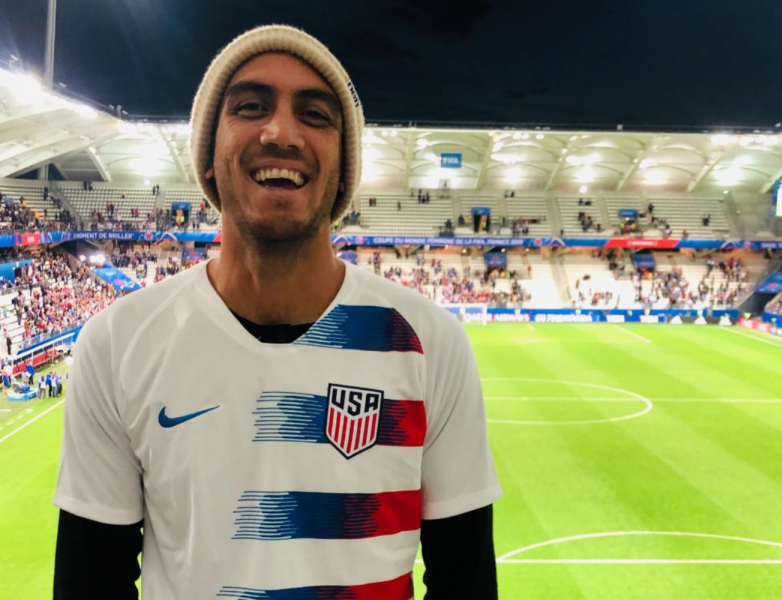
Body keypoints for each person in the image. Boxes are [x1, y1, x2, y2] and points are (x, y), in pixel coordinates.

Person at [53, 25, 500, 600]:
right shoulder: (117, 343)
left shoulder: (427, 341)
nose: (281, 132)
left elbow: (465, 581)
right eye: (250, 107)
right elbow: (92, 582)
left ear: (343, 172)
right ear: (208, 160)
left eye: (315, 116)